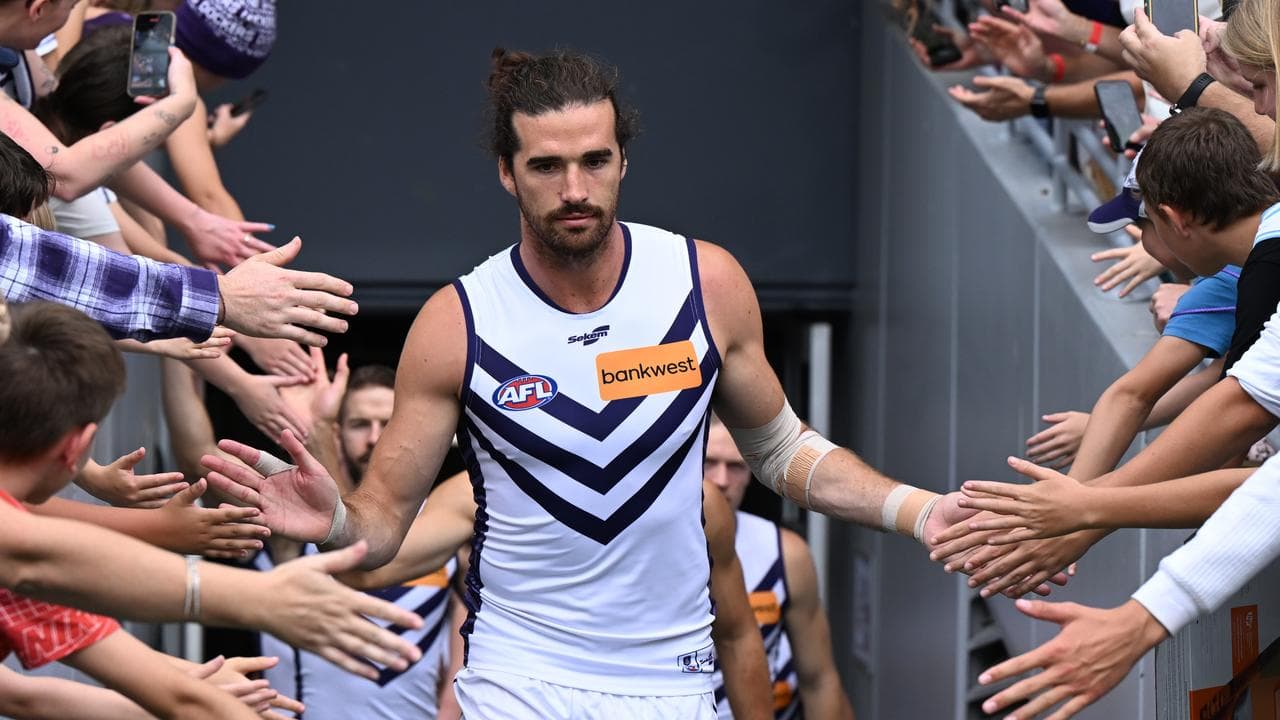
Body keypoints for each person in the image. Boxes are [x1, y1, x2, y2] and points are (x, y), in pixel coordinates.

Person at [203, 47, 996, 719]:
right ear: (508, 175)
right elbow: (382, 530)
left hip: (673, 683)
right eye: (546, 166)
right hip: (519, 679)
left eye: (594, 161)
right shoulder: (459, 322)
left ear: (624, 160)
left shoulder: (704, 282)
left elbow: (785, 452)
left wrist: (921, 512)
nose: (575, 189)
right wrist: (334, 517)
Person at [932, 106, 1280, 598]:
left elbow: (1233, 420)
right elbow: (1135, 395)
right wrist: (1069, 504)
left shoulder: (1268, 263)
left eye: (1146, 225)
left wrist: (1078, 514)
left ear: (1173, 218)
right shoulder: (1242, 263)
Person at [0, 299, 297, 720]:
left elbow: (19, 695)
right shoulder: (26, 566)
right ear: (80, 447)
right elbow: (183, 703)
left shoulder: (23, 559)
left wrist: (191, 679)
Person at [702, 418, 854, 720]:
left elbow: (819, 679)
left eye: (735, 466)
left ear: (750, 473)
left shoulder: (785, 553)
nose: (720, 479)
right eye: (708, 463)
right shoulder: (635, 546)